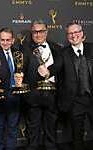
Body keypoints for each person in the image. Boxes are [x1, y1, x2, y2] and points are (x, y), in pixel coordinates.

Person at [48, 22, 93, 150]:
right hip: (75, 102)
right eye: (70, 33)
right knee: (77, 137)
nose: (74, 36)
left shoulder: (91, 48)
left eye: (76, 32)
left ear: (82, 34)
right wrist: (47, 71)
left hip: (91, 98)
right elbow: (55, 67)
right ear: (67, 36)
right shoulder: (63, 53)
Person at [23, 20, 62, 150]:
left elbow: (60, 66)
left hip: (52, 95)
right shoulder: (25, 48)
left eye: (41, 31)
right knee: (33, 130)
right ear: (31, 32)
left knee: (51, 128)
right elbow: (21, 69)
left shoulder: (56, 47)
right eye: (35, 31)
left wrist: (49, 71)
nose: (38, 34)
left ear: (46, 32)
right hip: (33, 95)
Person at [0, 27, 22, 150]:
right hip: (0, 98)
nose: (5, 42)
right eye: (3, 40)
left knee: (13, 128)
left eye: (8, 40)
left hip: (15, 96)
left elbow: (20, 70)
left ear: (13, 40)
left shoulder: (17, 53)